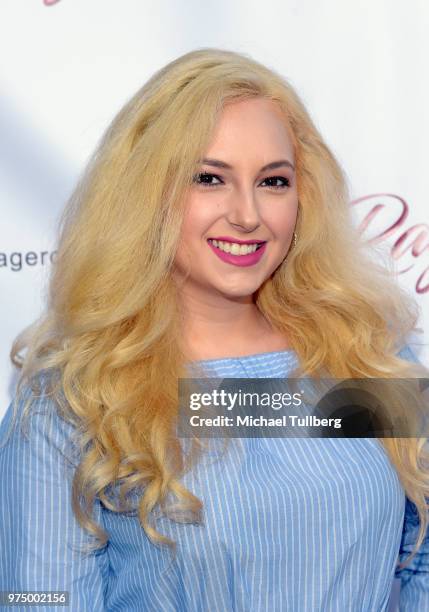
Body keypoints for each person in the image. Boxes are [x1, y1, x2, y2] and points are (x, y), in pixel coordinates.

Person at [0, 47, 428, 612]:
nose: (248, 214)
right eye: (210, 178)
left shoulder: (367, 360)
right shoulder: (75, 395)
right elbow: (40, 599)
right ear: (147, 194)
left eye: (274, 181)